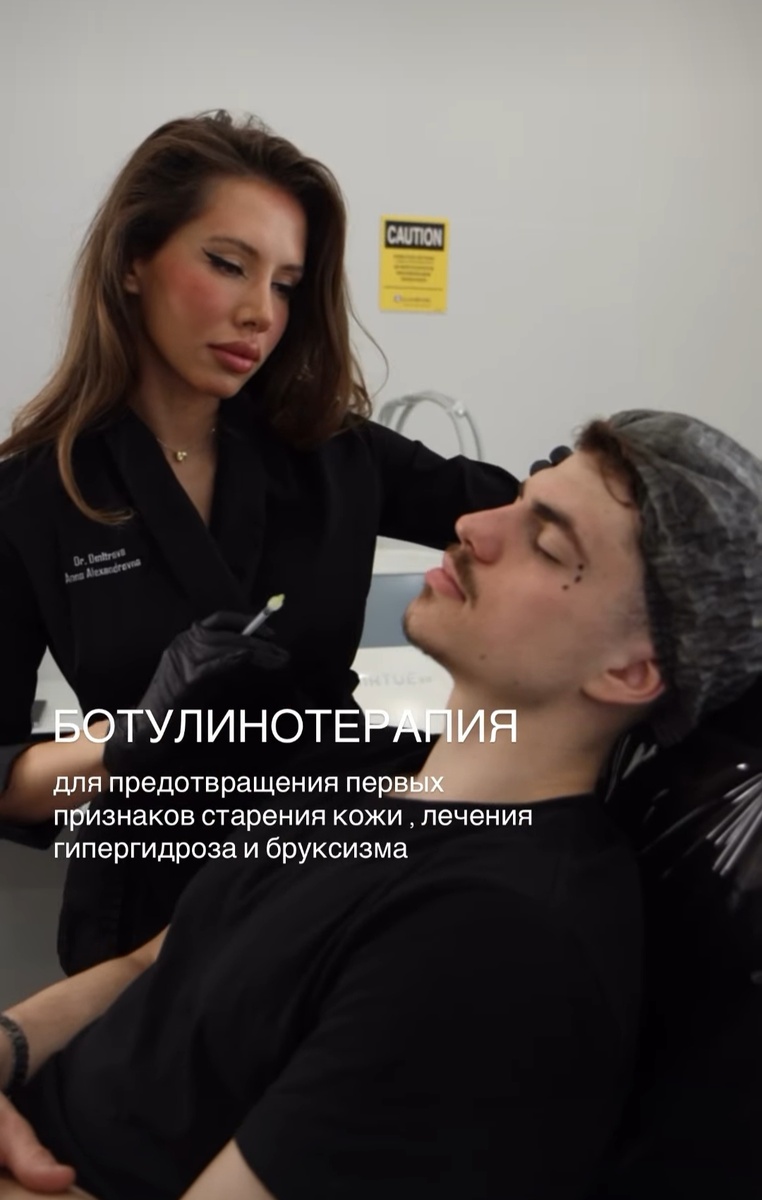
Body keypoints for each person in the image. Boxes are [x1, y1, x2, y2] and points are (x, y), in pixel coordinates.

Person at [0, 407, 758, 1200]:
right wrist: (11, 1043)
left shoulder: (493, 938)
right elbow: (156, 962)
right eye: (518, 499)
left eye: (546, 542)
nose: (471, 525)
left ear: (630, 673)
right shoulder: (366, 777)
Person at [0, 109, 518, 970]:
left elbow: (519, 517)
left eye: (285, 284)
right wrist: (130, 739)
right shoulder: (32, 496)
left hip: (334, 883)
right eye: (227, 264)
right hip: (152, 911)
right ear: (132, 261)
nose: (260, 314)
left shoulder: (335, 453)